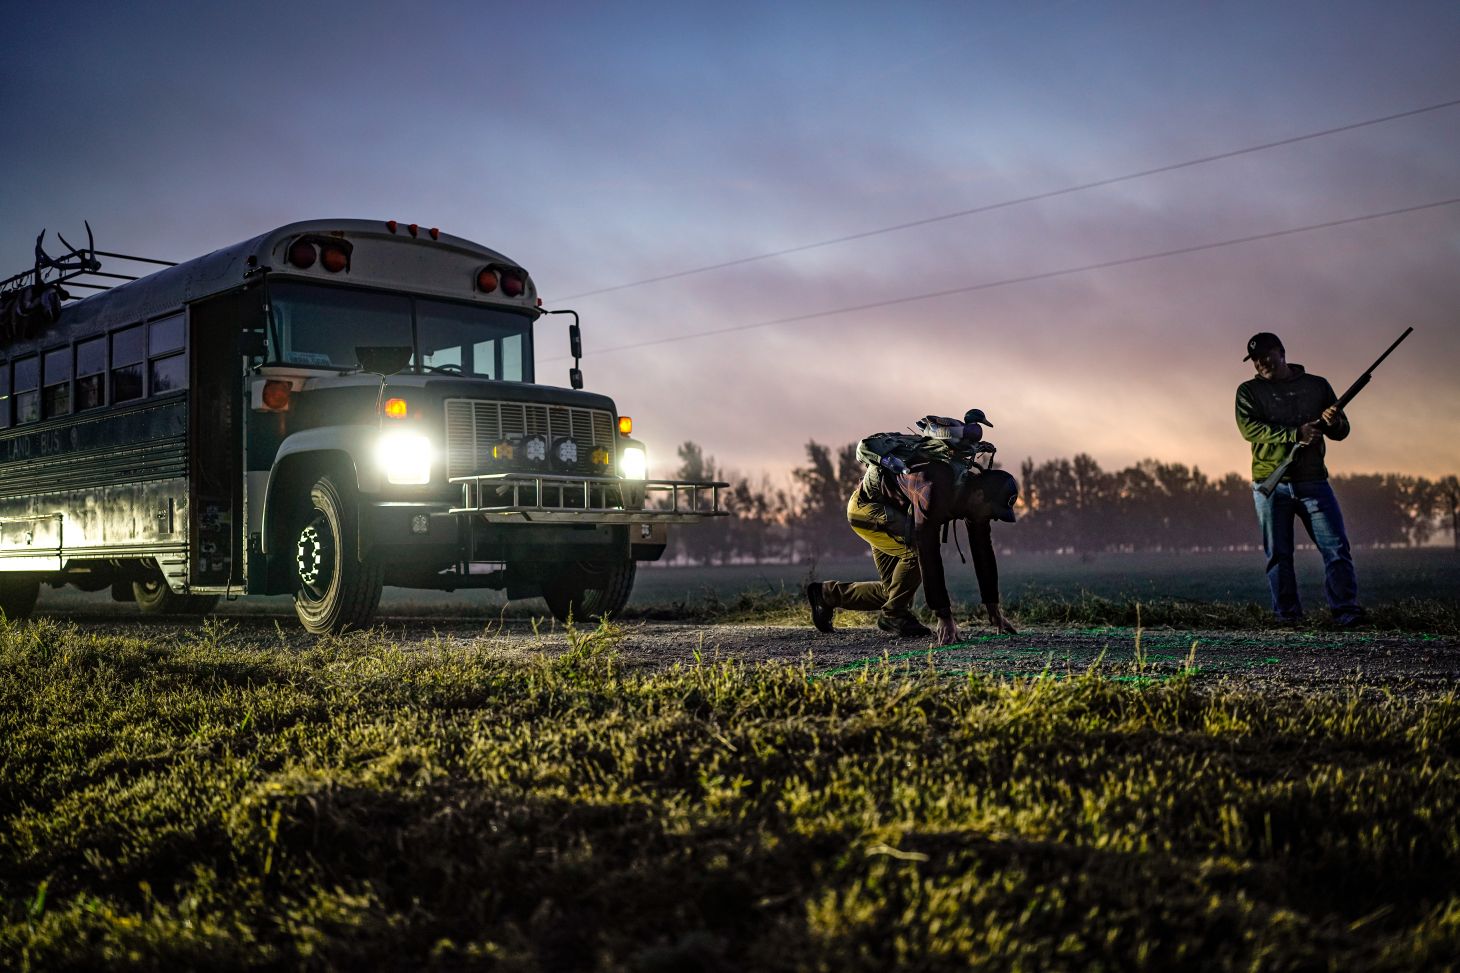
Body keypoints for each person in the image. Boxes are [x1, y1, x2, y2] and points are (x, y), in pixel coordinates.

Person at [805, 414, 1019, 644]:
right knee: (918, 555)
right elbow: (926, 546)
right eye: (993, 512)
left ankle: (825, 595)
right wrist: (943, 616)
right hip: (868, 509)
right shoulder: (933, 487)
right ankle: (894, 615)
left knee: (895, 592)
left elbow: (983, 551)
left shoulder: (974, 501)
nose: (993, 518)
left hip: (894, 513)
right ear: (979, 496)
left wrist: (993, 608)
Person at [1235, 332, 1365, 627]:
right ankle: (1288, 618)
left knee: (1336, 549)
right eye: (1255, 359)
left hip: (1313, 482)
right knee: (1278, 556)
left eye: (1266, 355)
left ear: (1282, 352)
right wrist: (1296, 434)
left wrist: (1334, 422)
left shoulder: (1317, 385)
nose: (1260, 363)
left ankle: (1347, 613)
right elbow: (1250, 430)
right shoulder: (1248, 392)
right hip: (1270, 484)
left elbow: (1341, 432)